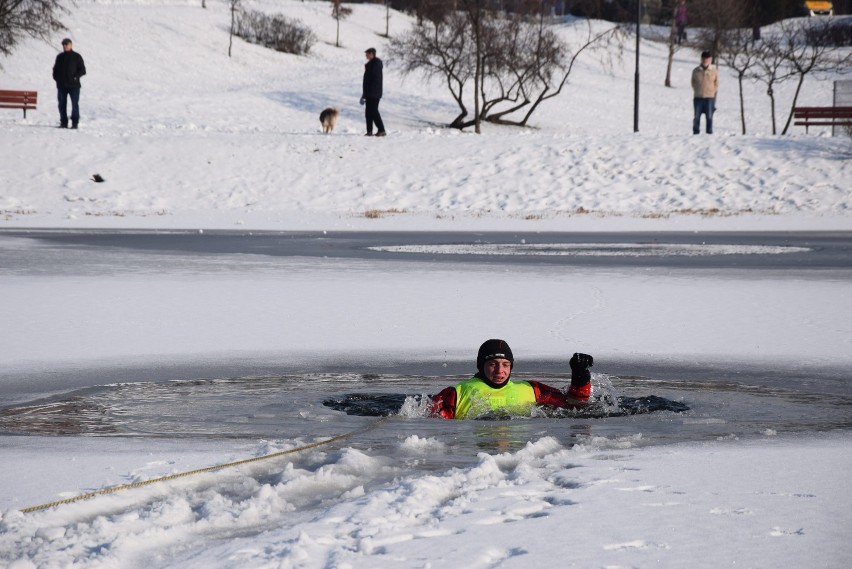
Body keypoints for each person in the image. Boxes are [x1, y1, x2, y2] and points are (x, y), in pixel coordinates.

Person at [430, 339, 594, 420]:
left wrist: (580, 377)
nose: (500, 371)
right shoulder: (456, 393)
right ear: (481, 365)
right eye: (493, 364)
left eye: (505, 364)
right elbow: (433, 426)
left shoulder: (531, 390)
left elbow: (575, 406)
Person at [52, 38, 87, 129]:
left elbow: (83, 70)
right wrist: (57, 79)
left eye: (66, 44)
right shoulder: (60, 57)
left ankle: (75, 123)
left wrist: (76, 77)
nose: (64, 46)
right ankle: (63, 122)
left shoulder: (76, 56)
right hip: (62, 86)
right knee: (62, 104)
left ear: (71, 45)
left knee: (74, 104)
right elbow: (55, 70)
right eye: (63, 44)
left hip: (74, 86)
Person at [360, 47, 386, 137]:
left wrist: (368, 92)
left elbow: (373, 80)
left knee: (374, 111)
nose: (366, 55)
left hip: (374, 93)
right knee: (368, 112)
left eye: (367, 54)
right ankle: (369, 131)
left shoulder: (376, 64)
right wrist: (364, 94)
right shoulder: (371, 64)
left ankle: (381, 129)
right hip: (369, 93)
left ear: (372, 54)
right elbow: (367, 81)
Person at [691, 50, 718, 135]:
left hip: (709, 98)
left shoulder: (713, 71)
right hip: (698, 97)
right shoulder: (696, 70)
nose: (705, 60)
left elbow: (716, 83)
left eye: (707, 58)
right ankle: (696, 132)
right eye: (704, 58)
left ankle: (709, 133)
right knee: (696, 117)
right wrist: (697, 90)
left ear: (710, 59)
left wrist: (712, 91)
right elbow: (693, 82)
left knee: (709, 117)